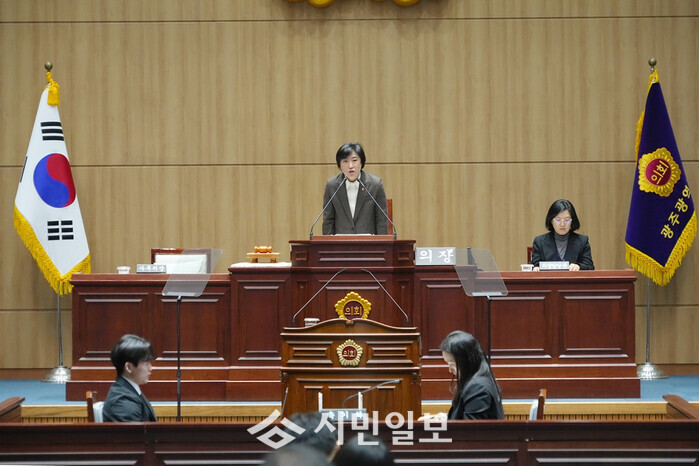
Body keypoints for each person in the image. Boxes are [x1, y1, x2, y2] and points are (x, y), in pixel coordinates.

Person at [430, 330, 504, 420]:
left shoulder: (478, 388)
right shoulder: (480, 381)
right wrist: (441, 419)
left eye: (452, 364)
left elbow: (469, 427)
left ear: (466, 361)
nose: (450, 370)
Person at [322, 142, 389, 235]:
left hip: (369, 243)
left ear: (361, 162)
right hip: (340, 243)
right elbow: (328, 220)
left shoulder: (375, 184)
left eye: (354, 160)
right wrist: (328, 243)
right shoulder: (332, 185)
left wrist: (382, 243)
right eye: (345, 161)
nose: (350, 166)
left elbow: (381, 220)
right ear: (339, 165)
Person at [102, 334, 158, 422]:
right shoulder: (122, 403)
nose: (150, 368)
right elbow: (135, 431)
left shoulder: (127, 390)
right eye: (146, 363)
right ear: (128, 367)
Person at [530, 199, 594, 271]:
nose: (562, 224)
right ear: (551, 221)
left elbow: (590, 266)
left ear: (572, 221)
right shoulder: (539, 242)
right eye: (558, 220)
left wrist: (579, 266)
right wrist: (536, 269)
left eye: (567, 220)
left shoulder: (582, 241)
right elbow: (534, 266)